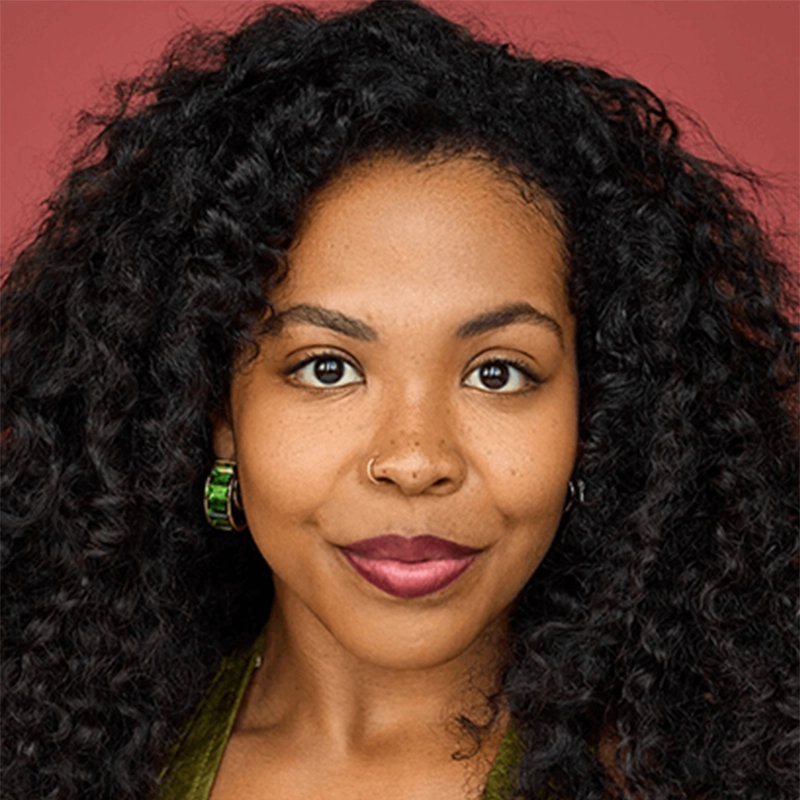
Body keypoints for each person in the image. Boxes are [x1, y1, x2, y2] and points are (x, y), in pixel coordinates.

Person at [1, 2, 796, 799]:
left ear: (596, 418)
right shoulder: (53, 762)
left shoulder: (697, 779)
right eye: (327, 368)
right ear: (217, 416)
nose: (416, 461)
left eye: (498, 373)